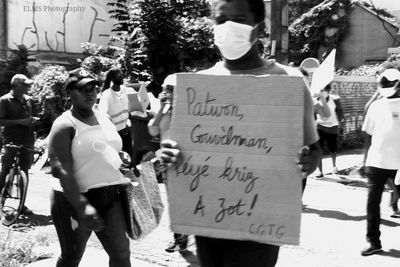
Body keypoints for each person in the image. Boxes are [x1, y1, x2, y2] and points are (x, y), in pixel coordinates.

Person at [154, 0, 322, 266]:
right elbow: (173, 149)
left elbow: (313, 152)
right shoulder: (197, 84)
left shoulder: (288, 82)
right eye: (221, 20)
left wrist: (307, 162)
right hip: (206, 216)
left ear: (258, 28)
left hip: (262, 223)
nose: (229, 27)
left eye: (240, 20)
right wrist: (167, 155)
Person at [48, 69, 132, 267]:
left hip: (111, 197)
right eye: (83, 88)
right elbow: (62, 170)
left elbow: (110, 150)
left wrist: (122, 159)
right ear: (69, 93)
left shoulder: (105, 117)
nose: (90, 92)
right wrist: (82, 205)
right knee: (72, 257)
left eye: (93, 87)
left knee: (121, 254)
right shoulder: (64, 124)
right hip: (72, 200)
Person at [360, 67, 400, 256]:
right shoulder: (375, 106)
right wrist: (363, 161)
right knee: (372, 205)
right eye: (381, 83)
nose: (384, 86)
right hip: (376, 163)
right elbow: (367, 136)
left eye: (387, 83)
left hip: (399, 165)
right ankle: (373, 242)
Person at [0, 74, 38, 215]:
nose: (27, 87)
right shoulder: (4, 100)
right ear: (15, 86)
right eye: (25, 84)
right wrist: (21, 121)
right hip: (11, 140)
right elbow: (1, 121)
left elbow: (29, 118)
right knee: (5, 169)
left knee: (25, 171)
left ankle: (21, 205)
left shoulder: (29, 100)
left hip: (27, 139)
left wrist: (33, 120)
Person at [98, 68, 133, 158]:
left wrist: (128, 123)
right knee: (118, 160)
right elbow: (102, 115)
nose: (122, 77)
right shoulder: (107, 95)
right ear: (112, 79)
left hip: (126, 132)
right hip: (115, 134)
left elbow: (131, 108)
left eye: (121, 75)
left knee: (129, 159)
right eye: (119, 75)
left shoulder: (125, 90)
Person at [315, 83, 344, 178]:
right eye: (320, 90)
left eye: (324, 90)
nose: (322, 92)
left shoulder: (335, 99)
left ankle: (334, 167)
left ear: (328, 91)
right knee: (319, 149)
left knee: (332, 149)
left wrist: (341, 124)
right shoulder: (315, 100)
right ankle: (320, 171)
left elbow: (340, 113)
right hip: (320, 126)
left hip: (332, 127)